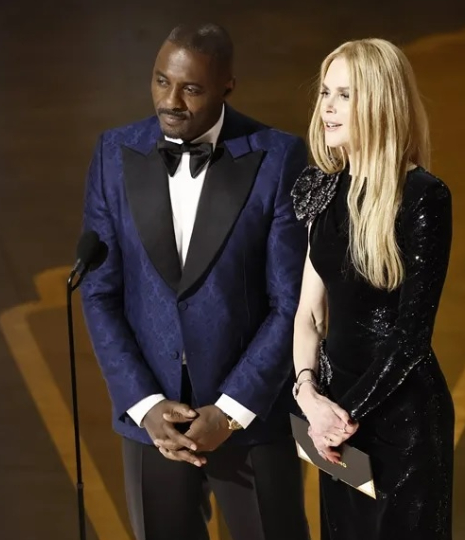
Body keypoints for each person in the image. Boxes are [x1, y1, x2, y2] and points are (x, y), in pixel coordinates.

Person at [80, 22, 311, 540]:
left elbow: (290, 302)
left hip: (251, 421)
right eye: (162, 82)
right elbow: (99, 291)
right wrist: (145, 405)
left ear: (228, 85)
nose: (171, 101)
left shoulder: (277, 158)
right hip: (154, 426)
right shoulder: (113, 154)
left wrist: (229, 412)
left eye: (191, 88)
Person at [290, 38, 454, 539]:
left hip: (400, 420)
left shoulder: (424, 197)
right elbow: (309, 315)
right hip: (334, 415)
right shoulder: (323, 190)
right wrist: (309, 393)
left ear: (380, 102)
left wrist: (340, 418)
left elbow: (411, 338)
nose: (327, 108)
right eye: (324, 93)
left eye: (345, 94)